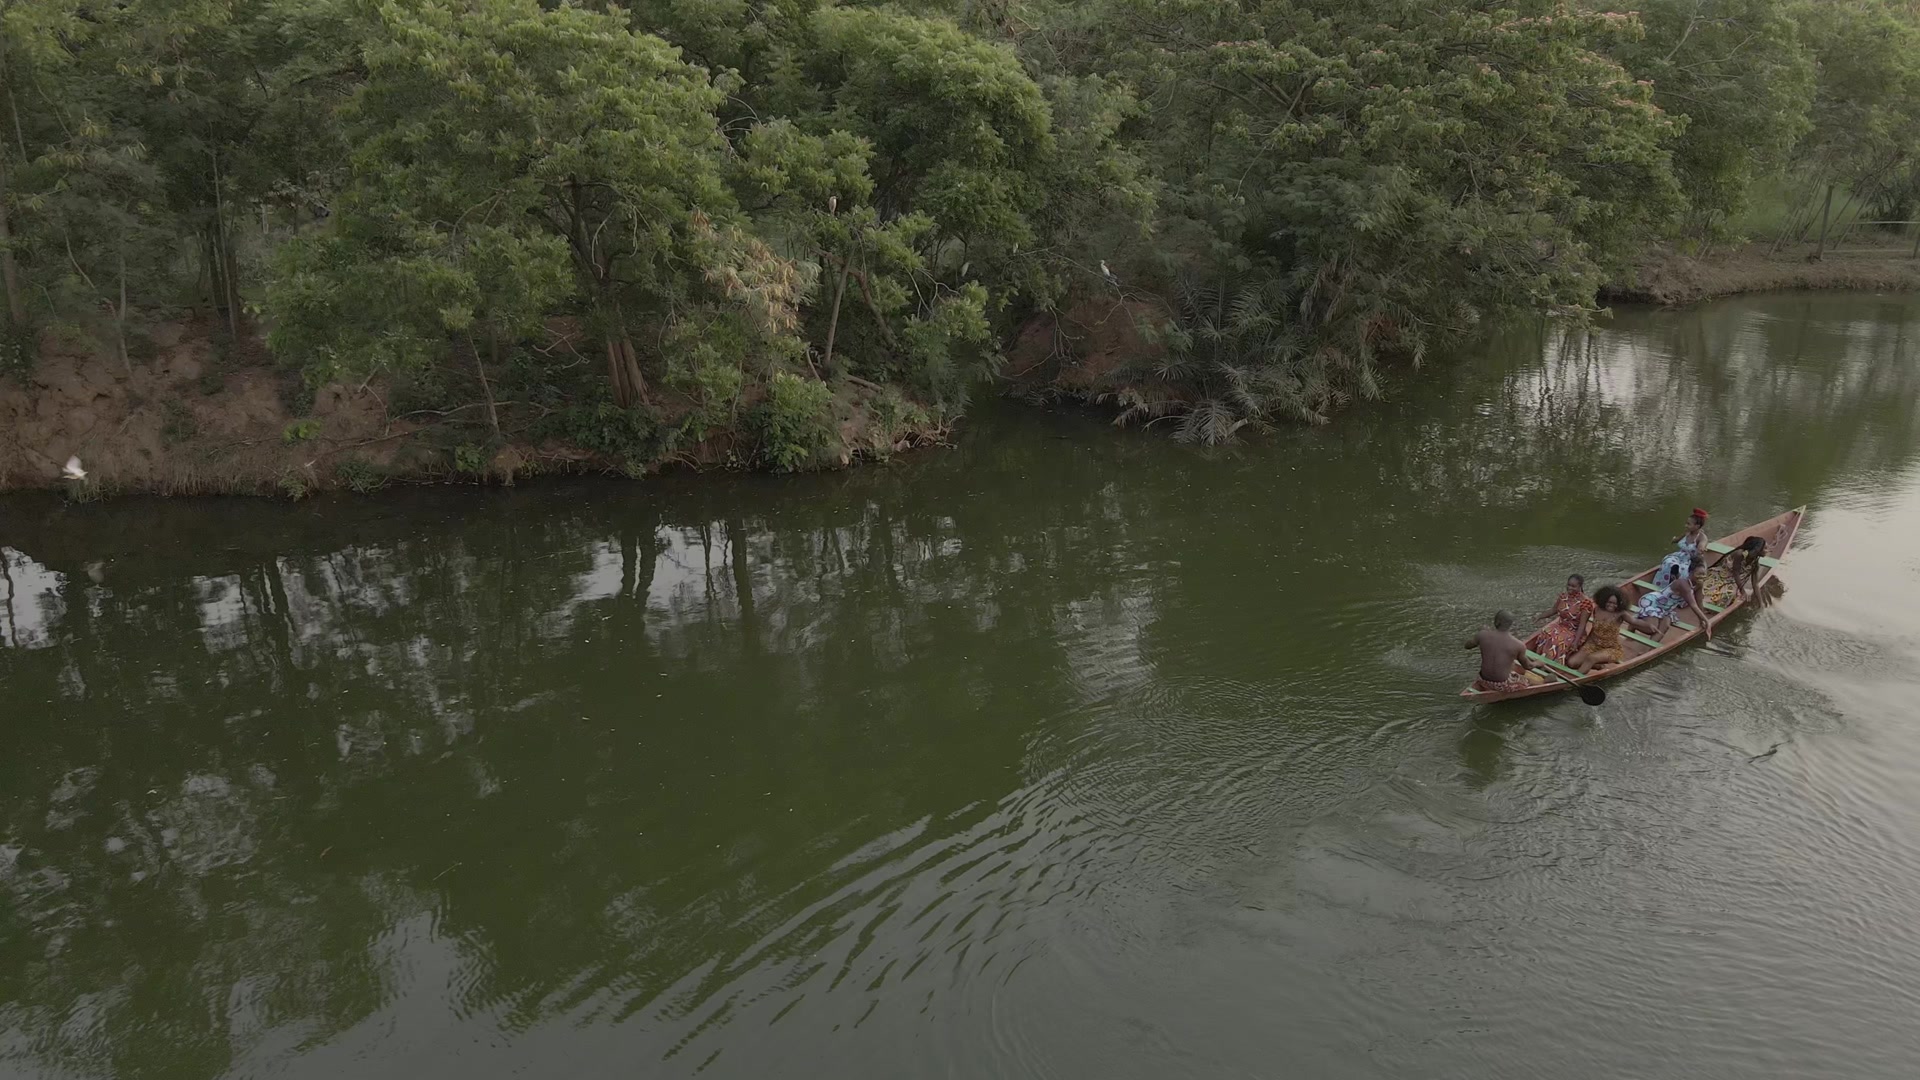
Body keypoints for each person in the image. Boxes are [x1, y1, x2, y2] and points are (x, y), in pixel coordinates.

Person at [1569, 585, 1655, 673]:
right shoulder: (1597, 609)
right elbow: (1591, 628)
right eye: (1609, 602)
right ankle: (1597, 665)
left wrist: (1649, 626)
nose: (1611, 605)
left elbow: (1634, 622)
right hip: (1592, 645)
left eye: (1615, 604)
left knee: (1592, 658)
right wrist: (1583, 644)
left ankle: (1575, 679)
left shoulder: (1621, 614)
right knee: (1572, 663)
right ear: (1604, 600)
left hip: (1611, 649)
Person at [1632, 553, 1713, 640]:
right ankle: (1632, 623)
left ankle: (1647, 651)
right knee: (1651, 629)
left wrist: (1701, 621)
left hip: (1666, 608)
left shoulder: (1699, 585)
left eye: (1703, 575)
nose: (1701, 577)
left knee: (1665, 626)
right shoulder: (1683, 584)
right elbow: (1693, 605)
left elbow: (1699, 602)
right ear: (1691, 572)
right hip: (1653, 602)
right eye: (1698, 574)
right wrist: (1707, 622)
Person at [1467, 611, 1547, 692]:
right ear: (1510, 625)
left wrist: (1481, 634)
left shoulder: (1482, 635)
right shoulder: (1518, 645)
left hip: (1482, 680)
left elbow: (1467, 646)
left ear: (1496, 622)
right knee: (1526, 680)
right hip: (1502, 685)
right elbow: (1528, 666)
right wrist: (1538, 663)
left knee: (1512, 665)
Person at [1526, 574, 1594, 663]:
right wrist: (1540, 616)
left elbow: (1582, 625)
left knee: (1558, 640)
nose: (1570, 588)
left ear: (1580, 586)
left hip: (1574, 631)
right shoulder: (1563, 597)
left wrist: (1576, 642)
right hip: (1561, 626)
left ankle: (1554, 664)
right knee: (1545, 632)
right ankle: (1542, 658)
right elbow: (1553, 610)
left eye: (1573, 586)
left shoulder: (1585, 603)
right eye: (1568, 585)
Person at [1702, 534, 1768, 608]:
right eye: (1765, 548)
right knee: (1713, 590)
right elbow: (1736, 573)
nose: (1767, 551)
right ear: (1757, 549)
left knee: (1729, 594)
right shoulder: (1740, 554)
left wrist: (1761, 603)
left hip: (1732, 580)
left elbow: (1755, 584)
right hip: (1721, 575)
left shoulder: (1755, 563)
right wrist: (1742, 591)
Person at [1653, 508, 1711, 589]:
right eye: (1686, 523)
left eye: (1688, 524)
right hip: (1679, 556)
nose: (1686, 526)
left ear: (1697, 526)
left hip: (1691, 560)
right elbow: (1678, 539)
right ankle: (1664, 584)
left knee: (1683, 570)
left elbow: (1702, 546)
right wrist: (1673, 540)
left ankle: (1680, 587)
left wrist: (1701, 548)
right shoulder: (1687, 533)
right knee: (1667, 562)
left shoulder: (1702, 537)